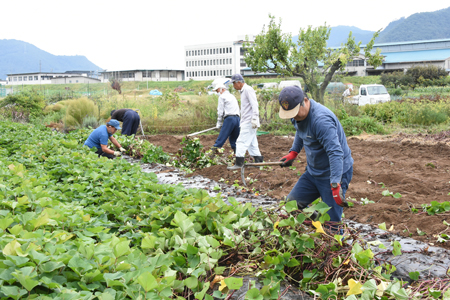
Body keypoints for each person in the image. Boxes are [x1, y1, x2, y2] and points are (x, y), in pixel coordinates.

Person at [278, 85, 353, 228]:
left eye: (295, 113)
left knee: (332, 224)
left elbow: (335, 152)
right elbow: (300, 129)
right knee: (291, 205)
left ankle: (337, 245)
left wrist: (336, 184)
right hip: (313, 172)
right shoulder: (296, 114)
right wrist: (294, 151)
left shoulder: (321, 121)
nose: (293, 117)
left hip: (333, 173)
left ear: (304, 101)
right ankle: (318, 222)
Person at [227, 74, 263, 170]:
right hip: (246, 121)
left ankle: (239, 163)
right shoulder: (243, 91)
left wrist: (255, 118)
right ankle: (259, 161)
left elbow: (254, 104)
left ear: (239, 82)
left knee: (241, 142)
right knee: (252, 143)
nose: (233, 86)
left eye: (234, 83)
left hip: (249, 121)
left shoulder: (247, 89)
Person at [211, 80, 240, 154]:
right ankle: (238, 156)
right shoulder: (232, 96)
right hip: (237, 119)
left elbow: (220, 111)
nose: (217, 92)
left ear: (221, 89)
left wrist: (219, 122)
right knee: (234, 139)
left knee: (222, 136)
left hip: (229, 119)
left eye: (217, 90)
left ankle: (212, 153)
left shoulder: (222, 97)